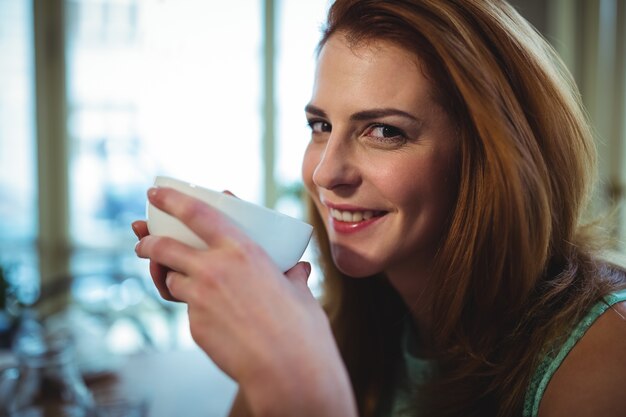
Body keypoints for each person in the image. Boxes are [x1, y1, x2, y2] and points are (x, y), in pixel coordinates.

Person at [131, 0, 626, 416]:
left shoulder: (606, 355)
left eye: (385, 131)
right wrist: (264, 362)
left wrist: (302, 391)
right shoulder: (339, 326)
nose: (325, 173)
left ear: (490, 158)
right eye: (321, 125)